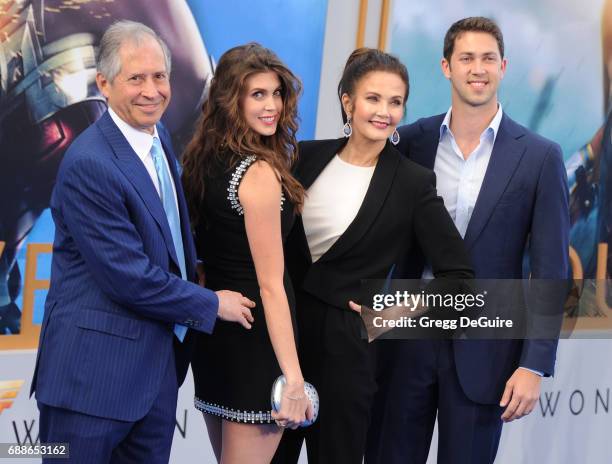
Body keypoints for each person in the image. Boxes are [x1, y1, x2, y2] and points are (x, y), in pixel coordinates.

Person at [30, 21, 253, 464]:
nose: (151, 90)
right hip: (89, 385)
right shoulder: (90, 162)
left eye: (159, 76)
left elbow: (167, 241)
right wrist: (211, 303)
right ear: (104, 84)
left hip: (153, 380)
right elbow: (128, 277)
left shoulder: (158, 140)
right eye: (136, 78)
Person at [367, 17, 570, 464]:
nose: (477, 69)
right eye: (466, 58)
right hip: (406, 338)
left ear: (503, 67)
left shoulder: (540, 157)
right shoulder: (410, 142)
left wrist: (533, 364)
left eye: (487, 59)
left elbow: (551, 269)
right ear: (446, 66)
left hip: (488, 350)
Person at [272, 48, 474, 464]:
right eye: (373, 99)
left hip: (348, 352)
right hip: (282, 338)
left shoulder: (412, 183)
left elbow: (460, 275)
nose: (384, 112)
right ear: (348, 101)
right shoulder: (302, 157)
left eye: (395, 102)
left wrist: (394, 312)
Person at [182, 43, 313, 464]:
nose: (272, 105)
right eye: (258, 94)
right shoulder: (257, 173)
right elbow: (271, 285)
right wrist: (294, 379)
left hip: (216, 340)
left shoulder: (201, 159)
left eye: (276, 93)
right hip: (257, 343)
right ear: (230, 99)